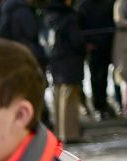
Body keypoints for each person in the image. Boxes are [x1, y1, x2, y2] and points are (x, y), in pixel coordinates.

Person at [43, 0, 87, 142]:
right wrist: (84, 48)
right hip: (70, 60)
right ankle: (71, 133)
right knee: (70, 97)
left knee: (58, 96)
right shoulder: (69, 17)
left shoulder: (48, 16)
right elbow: (76, 41)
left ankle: (60, 132)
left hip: (55, 60)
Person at [78, 0, 118, 119]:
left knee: (103, 76)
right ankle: (99, 106)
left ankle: (102, 105)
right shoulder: (84, 6)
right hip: (95, 47)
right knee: (96, 77)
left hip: (105, 45)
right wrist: (87, 43)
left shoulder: (106, 4)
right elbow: (80, 26)